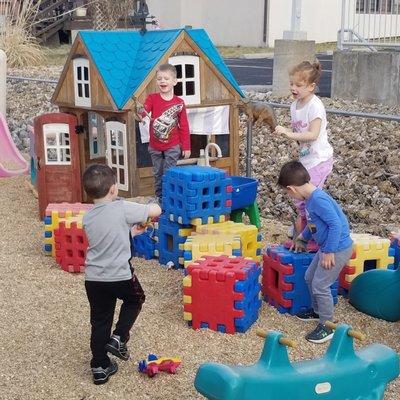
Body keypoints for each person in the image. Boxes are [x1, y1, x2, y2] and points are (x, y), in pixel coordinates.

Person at [82, 164, 162, 384]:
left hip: (94, 279)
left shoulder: (87, 218)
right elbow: (155, 211)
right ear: (114, 190)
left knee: (99, 321)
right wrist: (151, 205)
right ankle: (118, 338)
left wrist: (131, 232)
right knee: (136, 299)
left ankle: (99, 366)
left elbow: (106, 238)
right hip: (120, 275)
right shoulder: (121, 208)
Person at [277, 161, 353, 344]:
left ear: (292, 189)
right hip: (328, 247)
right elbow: (314, 225)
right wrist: (302, 238)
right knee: (310, 277)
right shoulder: (310, 200)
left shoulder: (318, 200)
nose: (290, 195)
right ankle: (317, 311)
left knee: (321, 284)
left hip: (338, 248)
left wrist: (328, 252)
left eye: (287, 193)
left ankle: (328, 325)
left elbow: (335, 225)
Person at [275, 61, 333, 237]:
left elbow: (313, 134)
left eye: (299, 85)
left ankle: (313, 236)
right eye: (291, 83)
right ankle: (303, 234)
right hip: (307, 159)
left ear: (311, 86)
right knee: (301, 200)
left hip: (320, 159)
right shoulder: (295, 105)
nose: (293, 88)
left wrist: (289, 134)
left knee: (310, 199)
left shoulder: (315, 105)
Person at [137, 63, 191, 205]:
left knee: (169, 172)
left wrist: (186, 147)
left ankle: (170, 198)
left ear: (174, 81)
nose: (162, 81)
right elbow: (144, 111)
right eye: (159, 78)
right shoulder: (152, 98)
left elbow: (184, 125)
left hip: (173, 145)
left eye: (166, 78)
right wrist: (141, 113)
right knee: (157, 173)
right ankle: (160, 199)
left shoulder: (179, 103)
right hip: (155, 145)